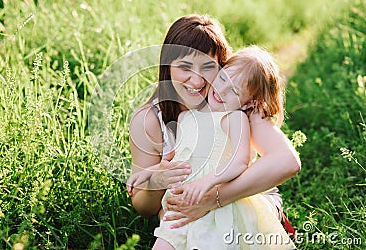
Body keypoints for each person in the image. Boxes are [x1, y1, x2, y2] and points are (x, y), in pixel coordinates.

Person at [128, 14, 300, 236]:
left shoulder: (238, 103)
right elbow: (145, 209)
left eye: (208, 67)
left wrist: (213, 199)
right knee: (172, 218)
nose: (197, 81)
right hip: (186, 208)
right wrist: (158, 179)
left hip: (244, 200)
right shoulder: (150, 120)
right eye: (185, 67)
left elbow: (287, 162)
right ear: (167, 66)